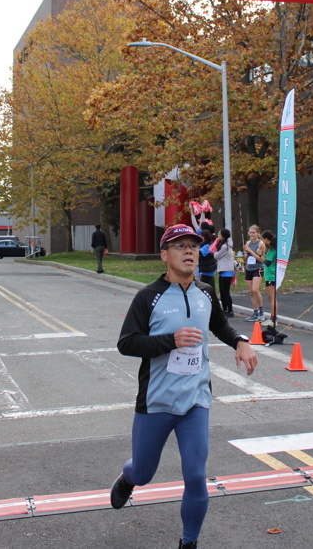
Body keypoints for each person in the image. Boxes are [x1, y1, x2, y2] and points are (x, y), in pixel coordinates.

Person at [109, 224, 258, 549]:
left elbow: (219, 324)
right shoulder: (148, 297)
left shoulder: (205, 292)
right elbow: (126, 343)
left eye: (193, 245)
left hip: (195, 400)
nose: (189, 250)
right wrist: (170, 341)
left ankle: (189, 542)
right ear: (164, 255)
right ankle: (128, 478)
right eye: (180, 246)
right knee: (144, 472)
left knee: (195, 475)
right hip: (157, 402)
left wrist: (240, 341)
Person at [241, 225, 266, 322]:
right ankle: (255, 313)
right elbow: (246, 257)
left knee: (255, 290)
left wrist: (250, 251)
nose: (251, 234)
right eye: (250, 232)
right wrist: (246, 253)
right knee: (251, 292)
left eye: (253, 233)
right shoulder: (248, 243)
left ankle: (261, 312)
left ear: (258, 233)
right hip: (249, 268)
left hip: (258, 268)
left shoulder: (261, 243)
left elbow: (261, 259)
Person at [213, 228, 235, 318]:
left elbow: (216, 256)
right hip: (223, 270)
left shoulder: (225, 246)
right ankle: (225, 309)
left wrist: (214, 250)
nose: (218, 235)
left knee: (225, 292)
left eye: (219, 234)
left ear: (223, 236)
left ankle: (230, 310)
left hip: (227, 271)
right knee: (222, 292)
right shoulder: (223, 244)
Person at [261, 230, 278, 326]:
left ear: (266, 239)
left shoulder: (272, 249)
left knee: (272, 297)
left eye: (263, 239)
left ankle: (273, 318)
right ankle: (273, 317)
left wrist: (261, 255)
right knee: (271, 297)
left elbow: (267, 262)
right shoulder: (271, 248)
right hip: (270, 275)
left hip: (271, 275)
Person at [197, 225, 217, 290]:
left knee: (207, 288)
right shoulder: (207, 244)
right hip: (207, 269)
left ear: (205, 237)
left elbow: (198, 253)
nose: (200, 237)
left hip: (207, 269)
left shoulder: (207, 246)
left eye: (201, 236)